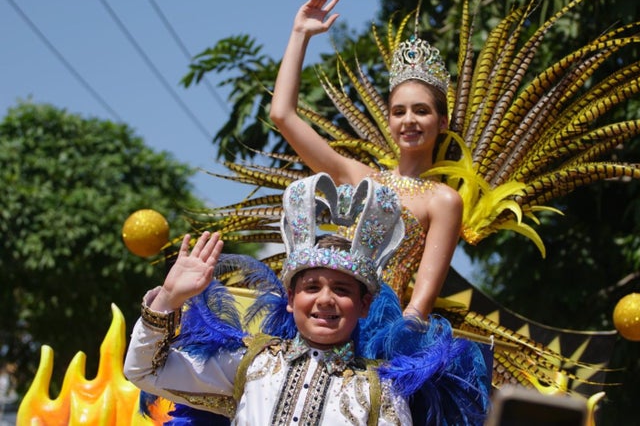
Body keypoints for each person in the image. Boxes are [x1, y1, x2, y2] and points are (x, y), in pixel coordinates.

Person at [124, 173, 491, 425]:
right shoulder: (250, 364)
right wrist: (168, 298)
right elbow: (143, 371)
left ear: (364, 305)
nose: (325, 299)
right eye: (312, 287)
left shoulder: (382, 392)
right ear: (290, 298)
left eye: (342, 290)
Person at [269, 0, 463, 320]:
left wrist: (391, 344)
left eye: (421, 111)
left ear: (442, 122)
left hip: (379, 329)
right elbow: (282, 115)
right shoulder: (358, 177)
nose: (409, 120)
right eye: (399, 111)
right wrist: (300, 34)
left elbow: (419, 305)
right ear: (389, 120)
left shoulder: (443, 201)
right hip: (322, 316)